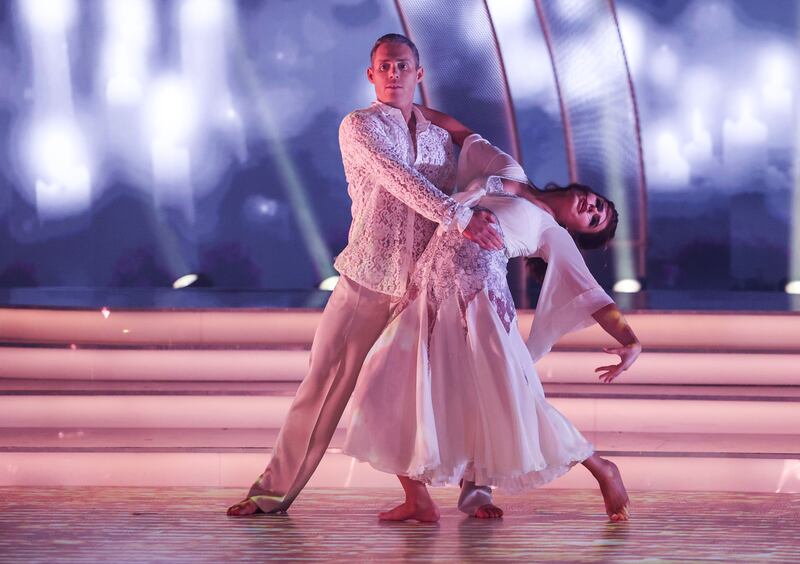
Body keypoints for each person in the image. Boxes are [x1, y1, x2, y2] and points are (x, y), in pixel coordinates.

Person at [226, 34, 503, 517]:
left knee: (449, 386)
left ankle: (471, 491)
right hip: (368, 278)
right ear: (371, 74)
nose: (394, 73)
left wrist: (463, 140)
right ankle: (272, 491)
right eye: (385, 66)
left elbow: (492, 174)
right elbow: (401, 179)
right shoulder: (359, 126)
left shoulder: (442, 138)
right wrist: (460, 216)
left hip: (426, 284)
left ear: (420, 75)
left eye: (403, 65)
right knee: (325, 383)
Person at [342, 112, 642, 523]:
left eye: (594, 219)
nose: (593, 208)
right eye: (599, 204)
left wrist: (630, 341)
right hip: (427, 290)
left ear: (578, 231)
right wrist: (406, 108)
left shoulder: (550, 234)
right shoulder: (508, 170)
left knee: (509, 397)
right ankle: (419, 499)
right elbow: (463, 131)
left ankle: (601, 467)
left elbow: (594, 297)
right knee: (386, 382)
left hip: (483, 300)